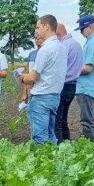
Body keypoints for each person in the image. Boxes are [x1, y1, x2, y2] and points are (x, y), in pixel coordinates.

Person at [20, 15, 65, 144]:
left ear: (46, 27)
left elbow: (33, 77)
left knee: (40, 138)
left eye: (38, 27)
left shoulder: (45, 49)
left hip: (41, 96)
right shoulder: (61, 46)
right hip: (54, 96)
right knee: (51, 135)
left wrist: (23, 78)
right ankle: (52, 161)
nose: (36, 31)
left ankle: (43, 163)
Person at [55, 24, 83, 141]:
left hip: (63, 85)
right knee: (63, 118)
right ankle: (67, 143)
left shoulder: (63, 45)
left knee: (57, 120)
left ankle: (59, 146)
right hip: (73, 85)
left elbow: (57, 66)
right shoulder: (76, 45)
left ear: (58, 33)